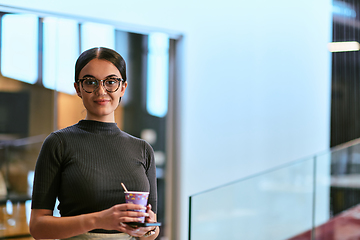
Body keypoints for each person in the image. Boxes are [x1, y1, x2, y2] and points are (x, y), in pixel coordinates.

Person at [29, 47, 159, 240]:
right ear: (78, 89)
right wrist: (98, 220)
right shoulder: (58, 143)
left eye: (111, 82)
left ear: (123, 87)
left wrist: (148, 230)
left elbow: (152, 229)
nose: (101, 91)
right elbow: (38, 227)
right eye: (90, 82)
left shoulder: (143, 149)